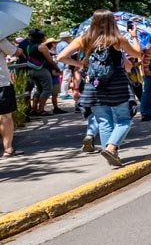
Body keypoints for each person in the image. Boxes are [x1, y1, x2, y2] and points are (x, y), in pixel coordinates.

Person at [57, 9, 142, 167]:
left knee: (103, 122)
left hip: (94, 85)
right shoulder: (118, 40)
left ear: (94, 21)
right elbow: (137, 53)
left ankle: (111, 157)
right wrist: (134, 36)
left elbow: (61, 57)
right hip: (117, 85)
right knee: (124, 120)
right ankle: (111, 148)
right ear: (112, 22)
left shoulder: (84, 39)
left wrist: (81, 64)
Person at [20, 29, 59, 116]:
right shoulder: (42, 47)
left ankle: (34, 109)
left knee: (38, 89)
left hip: (31, 69)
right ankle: (41, 110)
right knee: (47, 89)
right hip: (41, 70)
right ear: (41, 38)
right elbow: (50, 60)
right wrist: (57, 68)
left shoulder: (28, 46)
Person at [1, 36, 21, 157]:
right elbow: (15, 52)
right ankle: (8, 148)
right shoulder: (0, 37)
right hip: (1, 83)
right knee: (5, 116)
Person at [54, 31, 74, 100]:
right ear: (65, 37)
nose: (69, 38)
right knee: (66, 79)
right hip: (65, 64)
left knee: (63, 79)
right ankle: (64, 94)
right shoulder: (65, 45)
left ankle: (63, 93)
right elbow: (68, 54)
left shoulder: (59, 44)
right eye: (68, 37)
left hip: (60, 64)